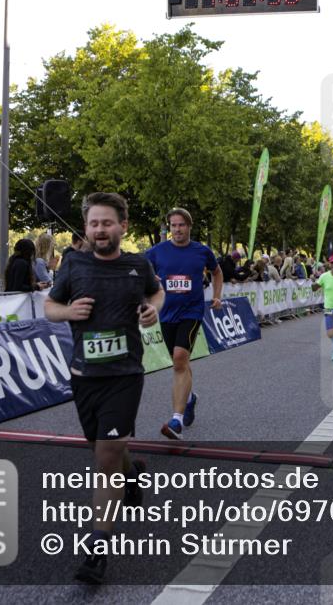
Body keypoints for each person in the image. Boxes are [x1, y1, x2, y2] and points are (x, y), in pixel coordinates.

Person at [45, 192, 163, 584]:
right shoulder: (73, 264)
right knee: (105, 449)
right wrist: (68, 312)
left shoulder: (137, 264)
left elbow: (156, 291)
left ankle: (97, 550)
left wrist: (152, 309)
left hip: (125, 374)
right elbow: (49, 306)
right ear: (86, 227)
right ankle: (133, 474)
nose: (99, 230)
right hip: (84, 377)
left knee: (106, 458)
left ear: (122, 226)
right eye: (93, 223)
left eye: (107, 223)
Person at [144, 207, 223, 440]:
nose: (177, 229)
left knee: (180, 359)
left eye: (181, 225)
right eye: (173, 225)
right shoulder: (157, 252)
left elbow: (217, 272)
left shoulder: (202, 251)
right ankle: (189, 398)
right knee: (179, 362)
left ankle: (175, 420)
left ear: (189, 226)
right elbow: (137, 269)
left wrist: (218, 295)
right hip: (166, 313)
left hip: (192, 311)